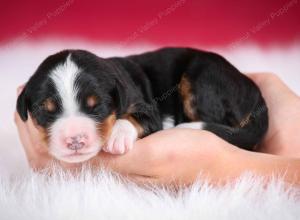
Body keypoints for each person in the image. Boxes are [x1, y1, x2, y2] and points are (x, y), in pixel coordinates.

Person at [14, 73, 300, 186]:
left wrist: (228, 164)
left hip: (201, 76)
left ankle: (215, 127)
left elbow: (142, 112)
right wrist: (282, 157)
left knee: (200, 84)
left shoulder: (127, 95)